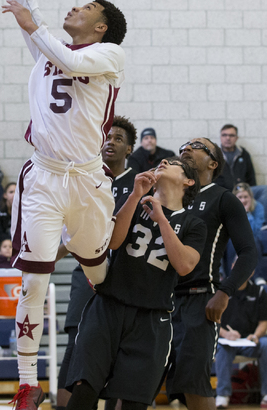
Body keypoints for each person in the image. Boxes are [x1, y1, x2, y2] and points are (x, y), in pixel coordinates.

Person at [0, 0, 127, 410]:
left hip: (89, 181)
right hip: (47, 178)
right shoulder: (49, 50)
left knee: (97, 272)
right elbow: (22, 0)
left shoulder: (110, 55)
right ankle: (27, 382)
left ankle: (113, 344)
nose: (72, 9)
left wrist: (35, 26)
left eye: (83, 8)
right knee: (34, 277)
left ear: (100, 28)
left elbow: (67, 57)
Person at [65, 159, 207, 410]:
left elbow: (185, 265)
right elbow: (114, 242)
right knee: (85, 389)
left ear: (189, 181)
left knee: (134, 402)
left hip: (151, 319)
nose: (164, 162)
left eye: (173, 163)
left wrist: (162, 219)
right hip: (108, 307)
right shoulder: (135, 203)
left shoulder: (194, 224)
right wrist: (135, 194)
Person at [166, 138, 258, 410]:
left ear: (213, 163)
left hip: (199, 299)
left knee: (193, 383)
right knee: (136, 380)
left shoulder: (224, 198)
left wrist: (225, 292)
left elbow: (248, 253)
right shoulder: (171, 197)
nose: (186, 147)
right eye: (183, 144)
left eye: (196, 145)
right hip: (159, 301)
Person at [57, 115, 138, 410]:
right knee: (75, 344)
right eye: (107, 136)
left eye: (118, 138)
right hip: (87, 270)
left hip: (124, 274)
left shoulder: (139, 184)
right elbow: (74, 229)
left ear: (129, 149)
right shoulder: (86, 179)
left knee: (120, 349)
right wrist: (53, 254)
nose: (111, 142)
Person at [215, 275, 267, 409]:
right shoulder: (221, 290)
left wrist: (256, 335)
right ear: (233, 266)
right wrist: (225, 333)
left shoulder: (258, 291)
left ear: (251, 271)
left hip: (250, 341)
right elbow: (212, 320)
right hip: (228, 341)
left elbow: (263, 323)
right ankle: (222, 394)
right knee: (221, 347)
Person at [217, 124, 267, 226]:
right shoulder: (215, 156)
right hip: (225, 193)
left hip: (243, 191)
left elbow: (251, 177)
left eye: (231, 135)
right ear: (220, 137)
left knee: (265, 189)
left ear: (236, 138)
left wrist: (248, 194)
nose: (228, 138)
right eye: (224, 135)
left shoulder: (244, 154)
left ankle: (260, 223)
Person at [224, 183, 266, 285]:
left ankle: (257, 276)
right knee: (230, 242)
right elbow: (229, 231)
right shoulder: (228, 208)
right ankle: (230, 276)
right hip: (233, 241)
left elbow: (255, 231)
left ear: (251, 197)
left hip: (252, 240)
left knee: (254, 240)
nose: (243, 200)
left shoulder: (258, 207)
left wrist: (246, 213)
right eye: (240, 197)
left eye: (246, 197)